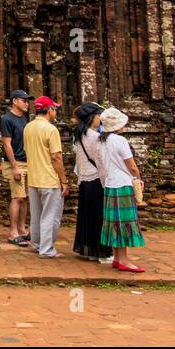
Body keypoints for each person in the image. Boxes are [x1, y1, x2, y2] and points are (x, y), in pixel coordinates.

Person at [98, 106, 146, 273]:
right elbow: (131, 166)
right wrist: (138, 179)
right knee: (124, 222)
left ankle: (118, 257)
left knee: (115, 223)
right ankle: (123, 259)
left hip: (110, 183)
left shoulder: (102, 141)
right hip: (123, 183)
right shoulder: (120, 141)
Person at [23, 95, 69, 258]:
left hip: (34, 178)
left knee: (36, 215)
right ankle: (47, 249)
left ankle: (37, 244)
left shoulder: (28, 127)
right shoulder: (50, 129)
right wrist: (64, 180)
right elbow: (56, 157)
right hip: (49, 179)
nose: (55, 112)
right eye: (54, 109)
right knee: (50, 215)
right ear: (49, 110)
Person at [71, 102, 113, 263]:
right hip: (96, 180)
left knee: (87, 216)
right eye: (98, 116)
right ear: (91, 118)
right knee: (99, 217)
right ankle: (102, 251)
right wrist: (106, 181)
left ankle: (89, 249)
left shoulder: (80, 135)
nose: (100, 120)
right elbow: (102, 162)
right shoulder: (96, 137)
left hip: (84, 180)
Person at [0, 90, 32, 246]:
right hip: (15, 163)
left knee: (24, 198)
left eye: (27, 100)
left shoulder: (24, 119)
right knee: (17, 197)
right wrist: (14, 167)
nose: (27, 103)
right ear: (14, 101)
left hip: (26, 162)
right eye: (24, 100)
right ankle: (13, 232)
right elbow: (7, 144)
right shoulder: (7, 119)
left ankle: (22, 229)